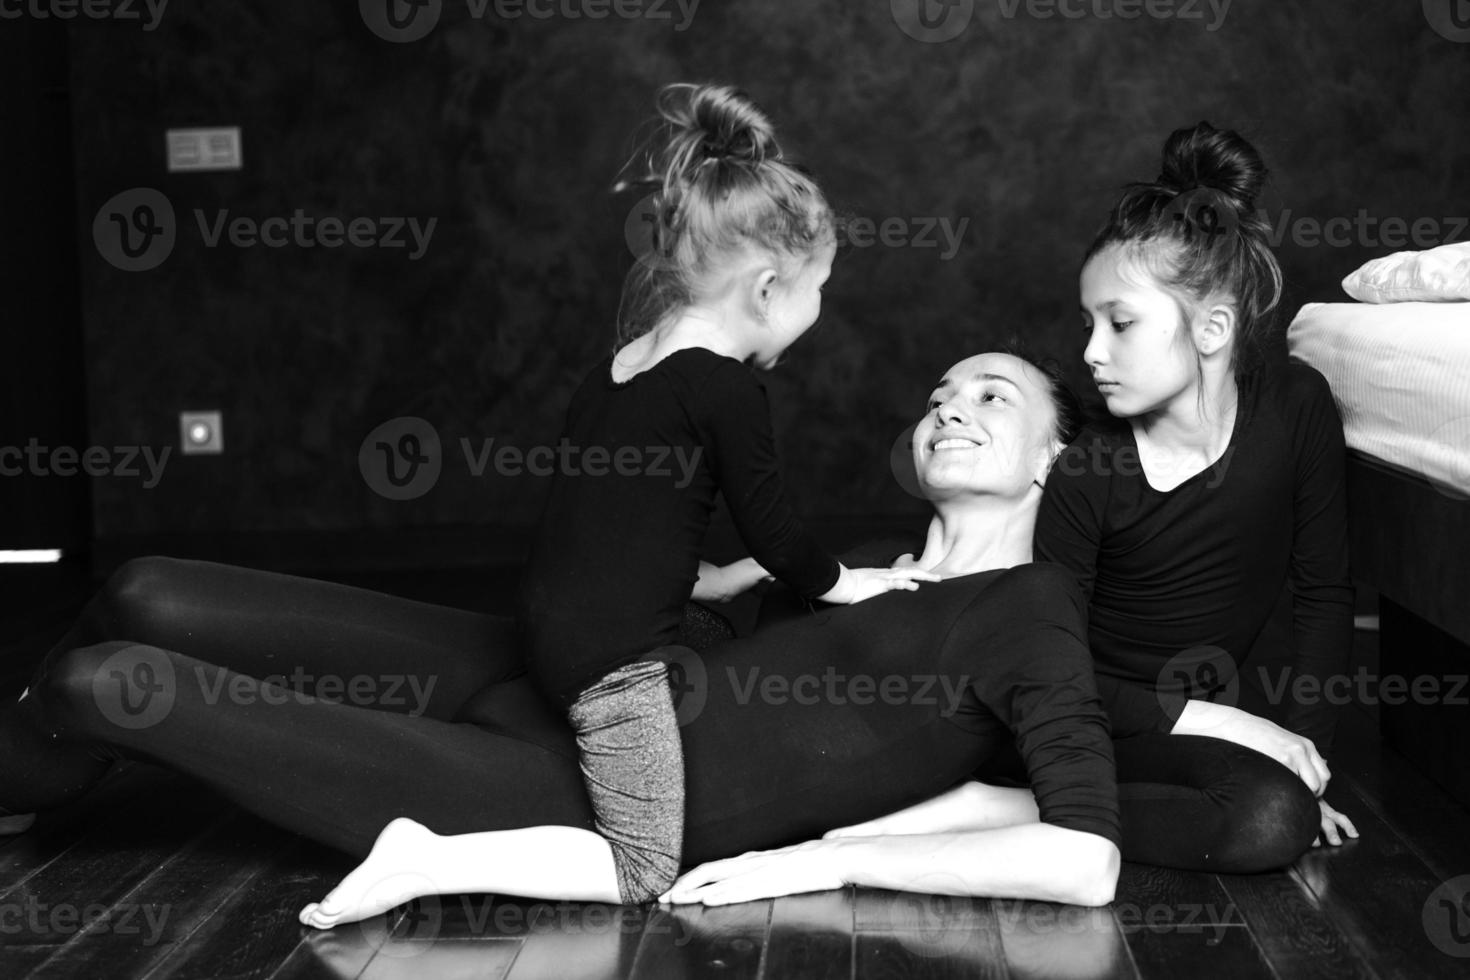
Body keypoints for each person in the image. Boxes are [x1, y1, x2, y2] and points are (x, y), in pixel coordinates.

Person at [0, 351, 1125, 926]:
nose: (949, 407)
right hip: (547, 670)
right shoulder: (855, 565)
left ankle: (42, 753)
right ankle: (36, 770)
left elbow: (1084, 857)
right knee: (145, 587)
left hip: (566, 786)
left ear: (1050, 461)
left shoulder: (1027, 613)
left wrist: (828, 861)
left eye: (991, 395)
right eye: (939, 392)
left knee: (111, 680)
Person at [516, 82, 935, 906]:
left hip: (550, 621)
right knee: (642, 869)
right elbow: (778, 533)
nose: (817, 312)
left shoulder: (624, 365)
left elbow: (604, 525)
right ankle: (424, 857)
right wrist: (852, 583)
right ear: (769, 289)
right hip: (605, 665)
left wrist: (714, 578)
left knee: (717, 629)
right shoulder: (726, 389)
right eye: (818, 291)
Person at [1033, 121, 1358, 857]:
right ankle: (1004, 806)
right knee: (1269, 817)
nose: (1091, 351)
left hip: (1168, 730)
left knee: (1276, 813)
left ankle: (1033, 811)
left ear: (1212, 328)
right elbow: (1049, 669)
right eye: (1089, 324)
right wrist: (1235, 726)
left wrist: (1307, 761)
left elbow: (1324, 595)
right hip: (1081, 713)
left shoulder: (1296, 407)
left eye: (1119, 324)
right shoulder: (1089, 471)